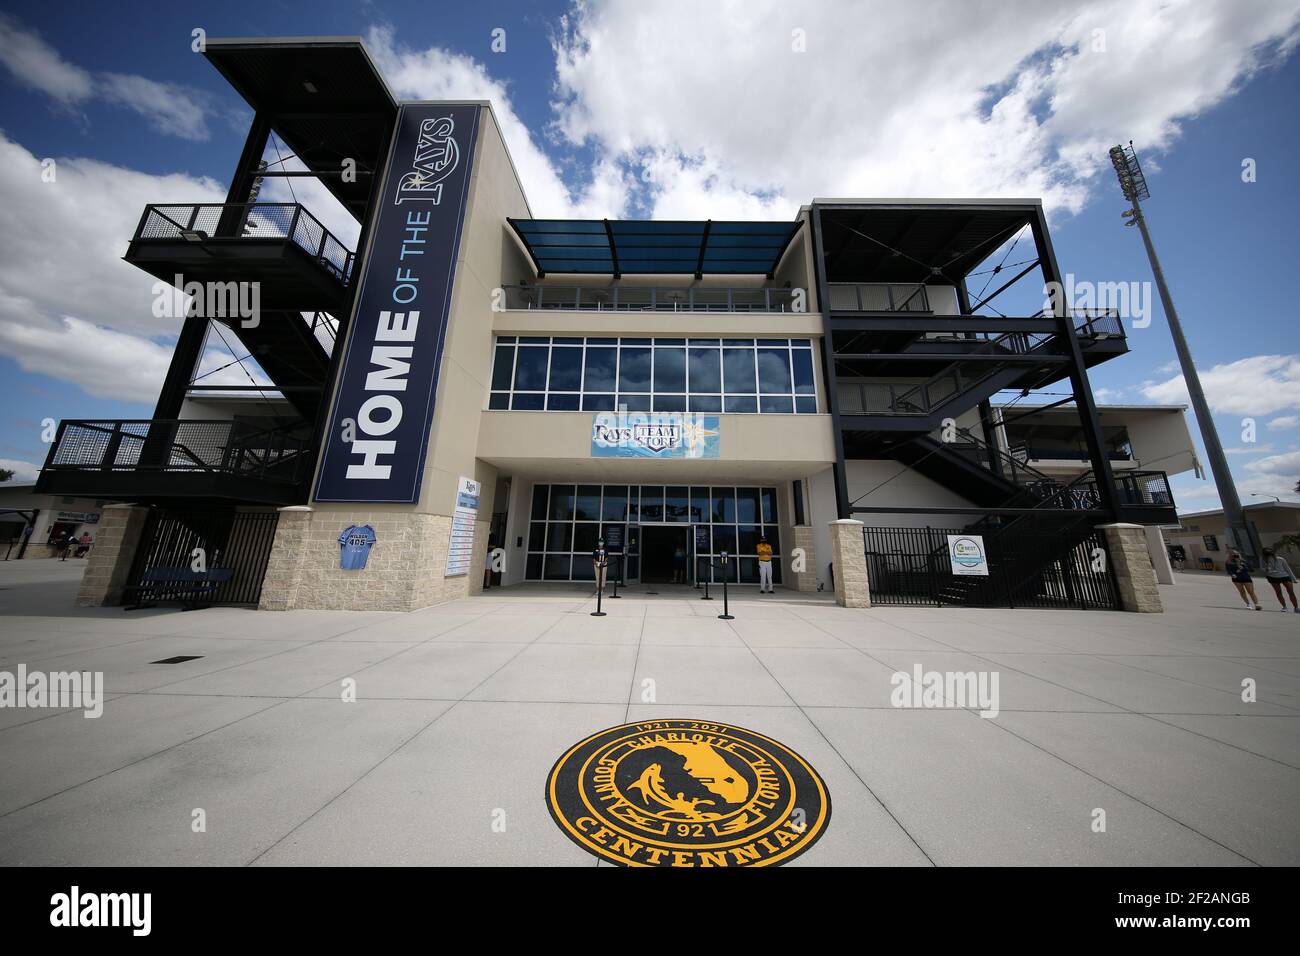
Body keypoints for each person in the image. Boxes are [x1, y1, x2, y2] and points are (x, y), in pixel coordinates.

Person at [1260, 547, 1299, 613]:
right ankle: (1284, 607)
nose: (1269, 554)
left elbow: (1287, 569)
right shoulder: (1263, 559)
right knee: (1278, 592)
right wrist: (1266, 569)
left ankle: (1296, 607)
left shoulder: (1280, 559)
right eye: (1266, 553)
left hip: (1284, 576)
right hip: (1272, 577)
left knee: (1291, 591)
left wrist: (1294, 578)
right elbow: (1262, 568)